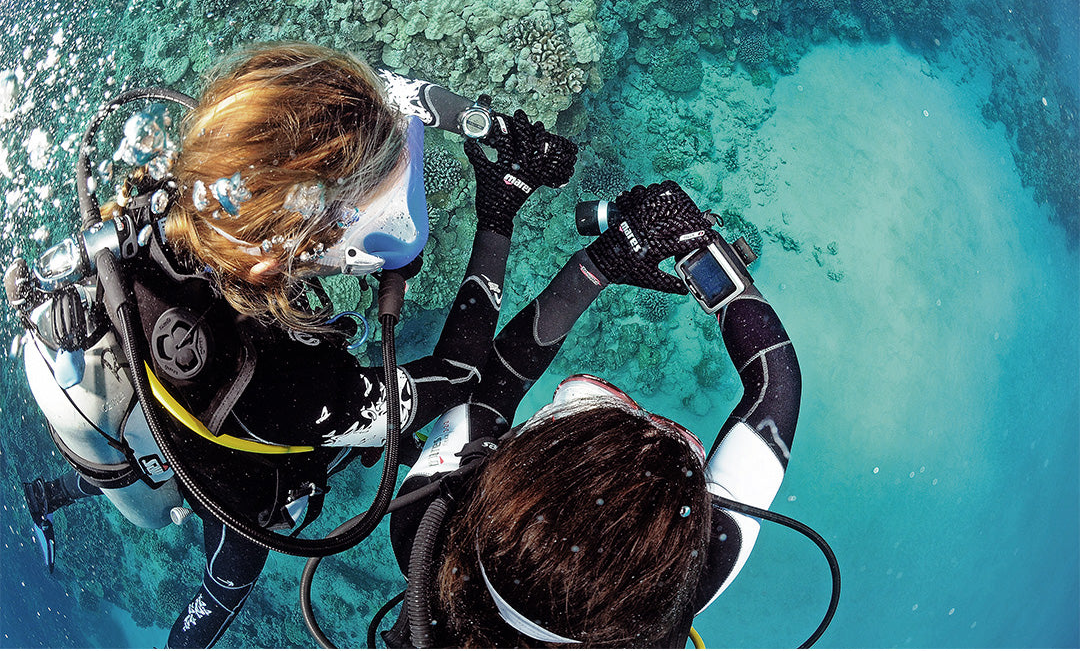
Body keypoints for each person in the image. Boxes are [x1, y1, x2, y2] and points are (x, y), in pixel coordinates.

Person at [14, 42, 577, 648]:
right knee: (230, 577)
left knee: (152, 451)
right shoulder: (284, 387)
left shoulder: (214, 178)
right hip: (237, 473)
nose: (386, 239)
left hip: (138, 392)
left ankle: (55, 492)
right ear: (283, 252)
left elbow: (385, 101)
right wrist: (498, 211)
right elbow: (458, 376)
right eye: (376, 222)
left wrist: (486, 125)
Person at [384, 181, 802, 648]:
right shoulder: (679, 585)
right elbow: (778, 383)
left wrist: (606, 263)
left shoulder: (428, 525)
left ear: (504, 470)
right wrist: (696, 259)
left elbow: (489, 389)